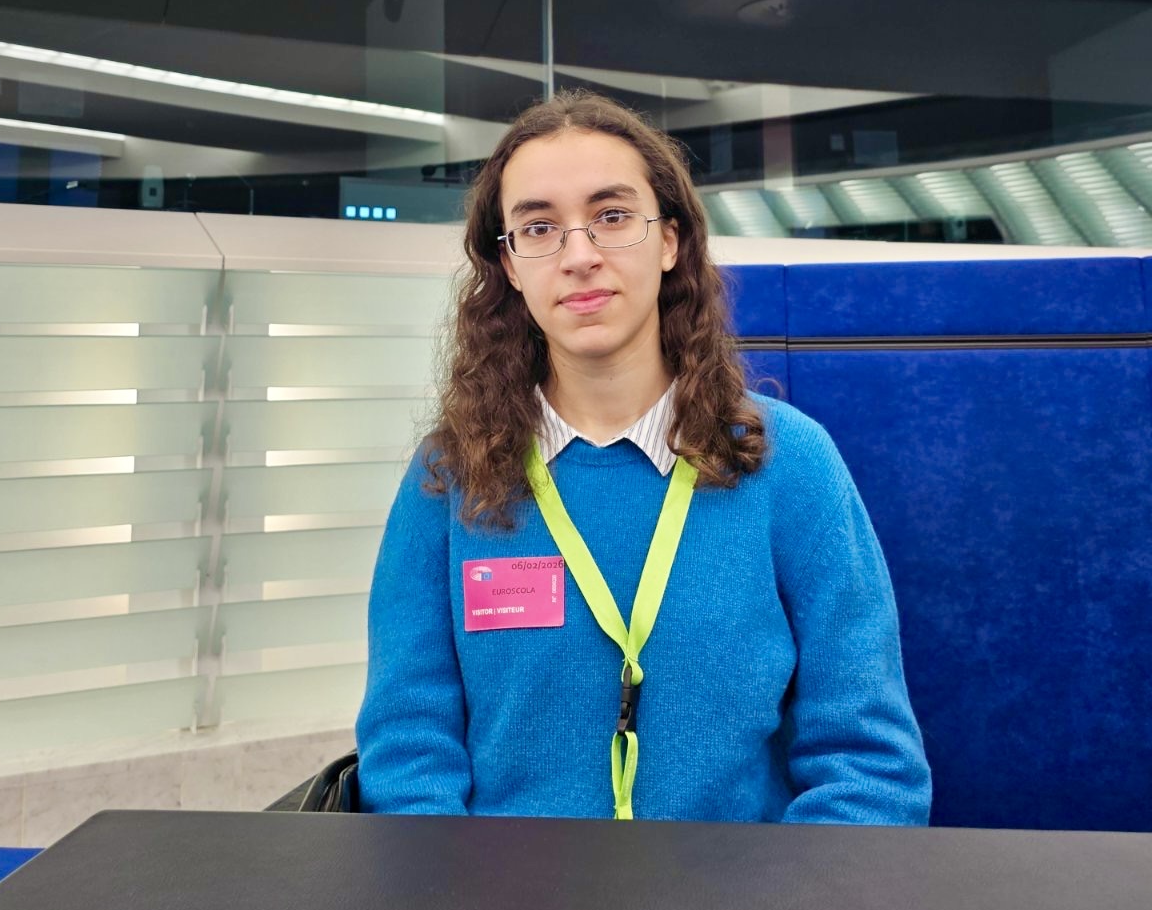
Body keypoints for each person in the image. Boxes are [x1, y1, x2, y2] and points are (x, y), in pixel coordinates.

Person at [356, 91, 931, 823]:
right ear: (509, 265)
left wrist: (782, 900)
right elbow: (408, 755)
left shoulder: (789, 464)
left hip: (742, 896)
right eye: (539, 227)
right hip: (502, 895)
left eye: (612, 216)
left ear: (669, 242)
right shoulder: (450, 476)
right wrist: (464, 894)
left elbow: (870, 768)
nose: (579, 256)